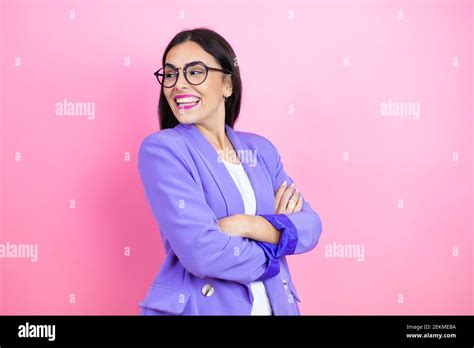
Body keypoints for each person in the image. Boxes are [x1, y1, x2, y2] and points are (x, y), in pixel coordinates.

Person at [137, 27, 322, 315]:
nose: (179, 85)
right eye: (171, 74)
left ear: (227, 84)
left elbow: (310, 226)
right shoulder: (163, 150)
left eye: (195, 72)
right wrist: (277, 243)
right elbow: (202, 253)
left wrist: (250, 224)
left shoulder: (261, 150)